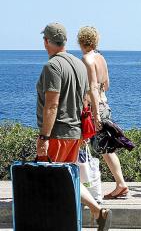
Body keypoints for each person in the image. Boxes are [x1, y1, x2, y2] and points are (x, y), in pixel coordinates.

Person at [36, 22, 112, 230]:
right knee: (67, 178)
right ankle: (98, 211)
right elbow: (86, 99)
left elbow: (51, 105)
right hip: (75, 132)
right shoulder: (78, 65)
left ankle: (54, 223)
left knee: (49, 181)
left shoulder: (52, 66)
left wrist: (43, 137)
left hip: (57, 134)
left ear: (46, 42)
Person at [77, 26, 128, 199]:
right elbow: (106, 84)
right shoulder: (101, 58)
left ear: (81, 41)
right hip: (105, 104)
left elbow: (91, 86)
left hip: (95, 108)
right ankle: (120, 184)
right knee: (106, 148)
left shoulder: (86, 59)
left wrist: (95, 113)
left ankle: (119, 184)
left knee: (103, 148)